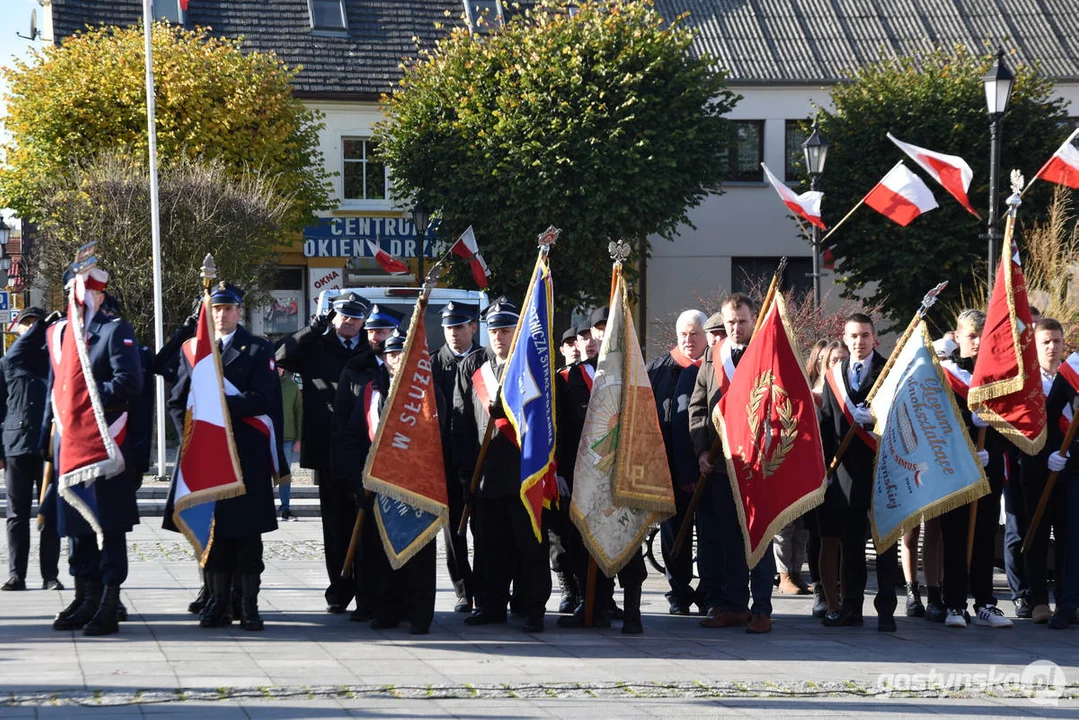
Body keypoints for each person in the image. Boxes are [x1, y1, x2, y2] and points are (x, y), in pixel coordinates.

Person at [166, 282, 281, 631]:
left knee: (247, 537)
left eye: (228, 308)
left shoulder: (259, 350)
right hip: (206, 457)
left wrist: (216, 407)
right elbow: (177, 400)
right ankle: (216, 601)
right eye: (215, 309)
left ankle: (248, 605)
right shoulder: (194, 351)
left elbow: (265, 398)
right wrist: (192, 436)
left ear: (239, 311)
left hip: (245, 456)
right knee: (213, 535)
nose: (221, 315)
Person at [49, 267, 143, 636]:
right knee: (76, 525)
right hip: (70, 445)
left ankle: (108, 600)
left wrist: (84, 400)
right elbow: (54, 392)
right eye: (75, 289)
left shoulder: (114, 330)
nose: (82, 297)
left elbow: (129, 384)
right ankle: (84, 596)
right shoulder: (60, 334)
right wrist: (48, 440)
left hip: (105, 445)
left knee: (108, 525)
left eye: (89, 290)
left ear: (101, 295)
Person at [275, 291, 376, 614]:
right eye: (344, 315)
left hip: (365, 449)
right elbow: (279, 357)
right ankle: (340, 590)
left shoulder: (369, 348)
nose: (349, 322)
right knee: (336, 527)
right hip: (327, 449)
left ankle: (368, 593)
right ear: (333, 317)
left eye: (356, 317)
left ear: (364, 320)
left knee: (368, 525)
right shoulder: (316, 345)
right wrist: (313, 327)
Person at [455, 299, 551, 633]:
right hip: (487, 477)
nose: (499, 337)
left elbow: (545, 423)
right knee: (488, 547)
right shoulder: (475, 370)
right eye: (494, 330)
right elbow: (462, 422)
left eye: (506, 330)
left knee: (529, 546)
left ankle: (532, 606)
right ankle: (491, 605)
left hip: (524, 474)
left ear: (517, 332)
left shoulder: (530, 370)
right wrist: (467, 471)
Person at [338, 329, 440, 634]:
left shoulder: (426, 393)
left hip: (417, 484)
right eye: (391, 354)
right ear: (384, 359)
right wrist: (359, 482)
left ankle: (420, 614)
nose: (396, 359)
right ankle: (387, 609)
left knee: (418, 552)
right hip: (380, 484)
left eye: (401, 353)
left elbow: (436, 437)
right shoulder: (372, 391)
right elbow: (355, 437)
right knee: (382, 552)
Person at [690, 293, 775, 634]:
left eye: (742, 321)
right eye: (730, 322)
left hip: (759, 468)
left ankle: (763, 609)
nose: (736, 328)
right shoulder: (714, 356)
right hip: (724, 465)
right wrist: (700, 451)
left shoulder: (767, 354)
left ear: (753, 320)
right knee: (729, 540)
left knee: (760, 539)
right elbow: (697, 409)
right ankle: (735, 605)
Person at [817, 313, 900, 632]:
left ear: (873, 338)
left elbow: (900, 420)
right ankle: (851, 606)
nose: (859, 342)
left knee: (884, 544)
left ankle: (886, 609)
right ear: (845, 337)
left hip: (881, 468)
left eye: (865, 335)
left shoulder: (887, 372)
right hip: (846, 472)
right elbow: (826, 422)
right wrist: (824, 467)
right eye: (853, 336)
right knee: (851, 544)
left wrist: (876, 421)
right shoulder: (833, 374)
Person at [938, 309, 1011, 629]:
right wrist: (969, 430)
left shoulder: (1001, 378)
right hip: (954, 468)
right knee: (954, 534)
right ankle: (953, 602)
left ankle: (985, 602)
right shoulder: (944, 374)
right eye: (971, 336)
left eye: (984, 336)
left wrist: (991, 445)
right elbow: (936, 424)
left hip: (988, 467)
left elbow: (1013, 424)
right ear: (957, 337)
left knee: (984, 534)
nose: (979, 342)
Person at [647, 310, 707, 615]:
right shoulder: (657, 369)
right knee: (673, 535)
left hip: (709, 471)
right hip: (667, 469)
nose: (688, 340)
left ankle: (709, 592)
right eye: (683, 334)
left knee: (710, 535)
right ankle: (679, 593)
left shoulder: (716, 367)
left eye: (695, 334)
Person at [1, 307, 61, 592]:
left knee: (49, 512)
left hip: (48, 444)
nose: (31, 328)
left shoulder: (55, 359)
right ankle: (17, 574)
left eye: (36, 323)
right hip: (16, 445)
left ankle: (50, 574)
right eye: (26, 324)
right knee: (16, 515)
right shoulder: (9, 361)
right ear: (19, 329)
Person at [430, 301, 482, 614]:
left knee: (487, 530)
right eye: (449, 327)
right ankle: (464, 589)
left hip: (482, 459)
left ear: (473, 327)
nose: (453, 333)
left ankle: (489, 588)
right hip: (446, 460)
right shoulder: (434, 363)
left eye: (459, 327)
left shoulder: (486, 361)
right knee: (454, 530)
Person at [1020, 318, 1066, 624]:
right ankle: (1038, 599)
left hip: (1069, 467)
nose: (1051, 347)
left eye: (1056, 341)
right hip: (1035, 467)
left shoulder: (1073, 376)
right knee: (1034, 534)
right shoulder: (1027, 382)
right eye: (1045, 342)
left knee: (1067, 536)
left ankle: (1066, 599)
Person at [278, 367, 302, 521]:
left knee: (285, 475)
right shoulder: (264, 382)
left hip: (287, 438)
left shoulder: (292, 386)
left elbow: (299, 412)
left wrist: (299, 438)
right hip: (267, 437)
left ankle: (285, 508)